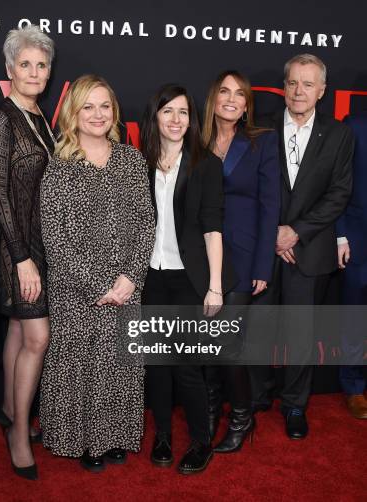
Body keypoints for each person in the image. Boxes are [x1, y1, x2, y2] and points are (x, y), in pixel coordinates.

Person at [39, 74, 155, 473]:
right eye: (88, 106)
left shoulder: (131, 159)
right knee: (82, 364)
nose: (97, 114)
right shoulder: (59, 166)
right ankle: (84, 441)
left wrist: (129, 278)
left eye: (104, 106)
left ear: (114, 112)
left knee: (120, 364)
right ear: (74, 113)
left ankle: (117, 435)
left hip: (126, 285)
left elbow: (145, 223)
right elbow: (54, 238)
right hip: (76, 290)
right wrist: (96, 285)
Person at [250, 54, 354, 439]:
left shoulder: (339, 134)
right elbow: (250, 187)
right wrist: (275, 232)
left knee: (300, 333)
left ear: (322, 91)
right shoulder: (259, 127)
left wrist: (296, 231)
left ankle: (295, 404)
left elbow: (338, 193)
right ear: (284, 86)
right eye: (293, 82)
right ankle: (258, 396)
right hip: (263, 246)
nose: (299, 91)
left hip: (308, 250)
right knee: (257, 327)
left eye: (308, 84)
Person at [139, 84, 235, 474]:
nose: (176, 120)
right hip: (151, 277)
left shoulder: (206, 164)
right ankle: (162, 435)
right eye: (168, 112)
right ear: (156, 117)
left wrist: (215, 285)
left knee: (187, 366)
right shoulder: (138, 161)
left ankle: (201, 442)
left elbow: (213, 228)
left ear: (191, 119)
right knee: (158, 364)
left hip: (190, 279)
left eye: (183, 112)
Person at [0, 25, 56, 480]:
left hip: (38, 242)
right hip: (15, 246)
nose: (33, 72)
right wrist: (21, 257)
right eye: (24, 64)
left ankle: (11, 407)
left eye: (41, 65)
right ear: (9, 69)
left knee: (16, 328)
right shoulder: (0, 119)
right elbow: (0, 192)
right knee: (37, 338)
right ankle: (19, 436)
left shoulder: (40, 117)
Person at [201, 70, 280, 451]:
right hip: (201, 255)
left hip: (245, 254)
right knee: (205, 340)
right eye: (224, 92)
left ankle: (242, 417)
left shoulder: (261, 142)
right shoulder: (195, 140)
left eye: (240, 95)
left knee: (227, 341)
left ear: (247, 104)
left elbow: (270, 207)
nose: (231, 100)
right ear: (213, 98)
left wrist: (264, 266)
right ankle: (212, 410)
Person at [336, 111, 367, 419]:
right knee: (355, 319)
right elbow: (340, 182)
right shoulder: (355, 125)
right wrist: (341, 234)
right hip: (360, 239)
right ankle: (354, 387)